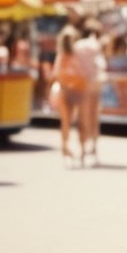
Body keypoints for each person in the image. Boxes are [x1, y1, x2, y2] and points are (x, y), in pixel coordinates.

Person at [51, 25, 86, 167]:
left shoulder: (62, 56)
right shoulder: (75, 55)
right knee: (78, 123)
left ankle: (67, 150)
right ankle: (78, 151)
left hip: (68, 90)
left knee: (66, 123)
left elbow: (56, 74)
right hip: (75, 90)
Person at [73, 17, 106, 166]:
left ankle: (81, 151)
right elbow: (101, 64)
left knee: (82, 119)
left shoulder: (77, 45)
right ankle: (93, 150)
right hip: (94, 86)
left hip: (80, 85)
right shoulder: (95, 45)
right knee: (93, 119)